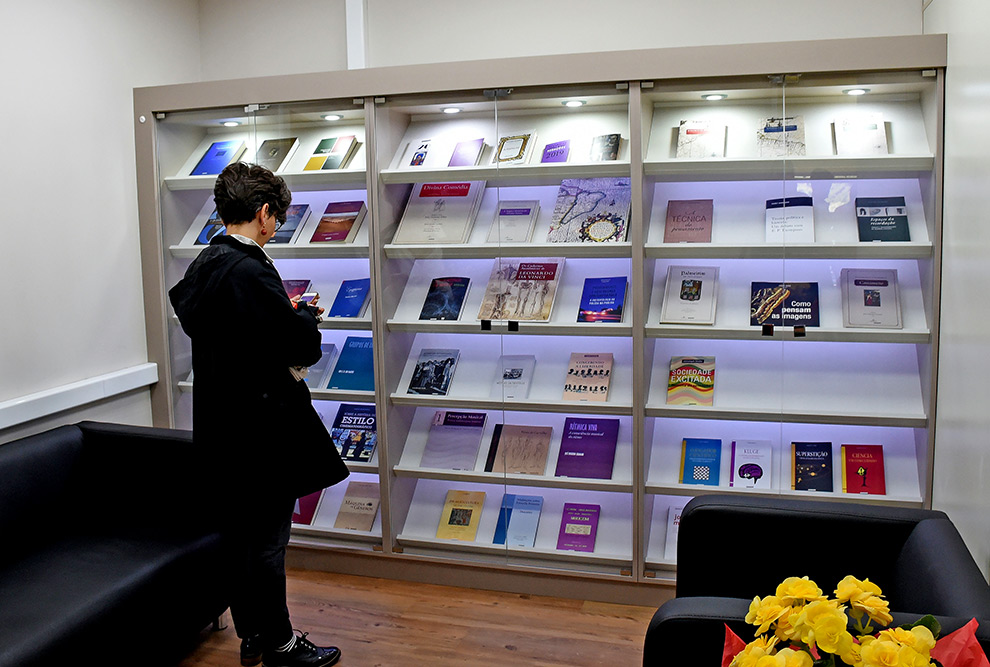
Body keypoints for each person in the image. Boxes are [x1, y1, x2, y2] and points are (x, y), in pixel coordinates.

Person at [169, 162, 349, 667]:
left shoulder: (207, 264)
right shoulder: (251, 269)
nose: (278, 228)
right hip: (262, 432)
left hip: (223, 430)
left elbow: (237, 341)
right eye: (279, 218)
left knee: (239, 540)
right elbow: (298, 347)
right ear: (265, 214)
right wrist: (306, 320)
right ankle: (282, 642)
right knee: (268, 543)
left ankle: (253, 633)